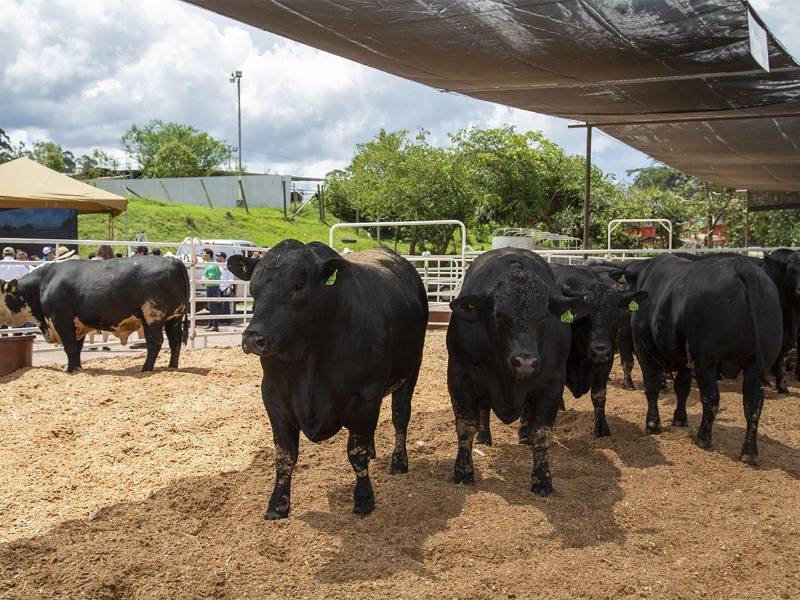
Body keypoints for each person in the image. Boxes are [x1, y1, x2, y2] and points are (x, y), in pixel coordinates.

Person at [88, 245, 114, 350]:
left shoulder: (93, 260)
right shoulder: (113, 261)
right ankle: (105, 343)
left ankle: (92, 343)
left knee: (90, 319)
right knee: (105, 319)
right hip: (106, 291)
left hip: (91, 291)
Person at [203, 248, 221, 332]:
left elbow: (211, 277)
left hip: (212, 287)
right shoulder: (211, 263)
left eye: (204, 254)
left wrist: (204, 279)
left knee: (212, 307)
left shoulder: (211, 265)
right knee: (211, 307)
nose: (203, 255)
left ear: (208, 255)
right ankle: (211, 324)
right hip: (212, 287)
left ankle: (215, 325)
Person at [217, 252, 233, 320]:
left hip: (226, 287)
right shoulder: (218, 266)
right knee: (219, 304)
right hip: (219, 287)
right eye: (217, 257)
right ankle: (221, 319)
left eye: (219, 257)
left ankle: (228, 319)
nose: (218, 258)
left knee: (225, 304)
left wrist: (230, 287)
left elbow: (231, 277)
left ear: (223, 258)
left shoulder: (228, 265)